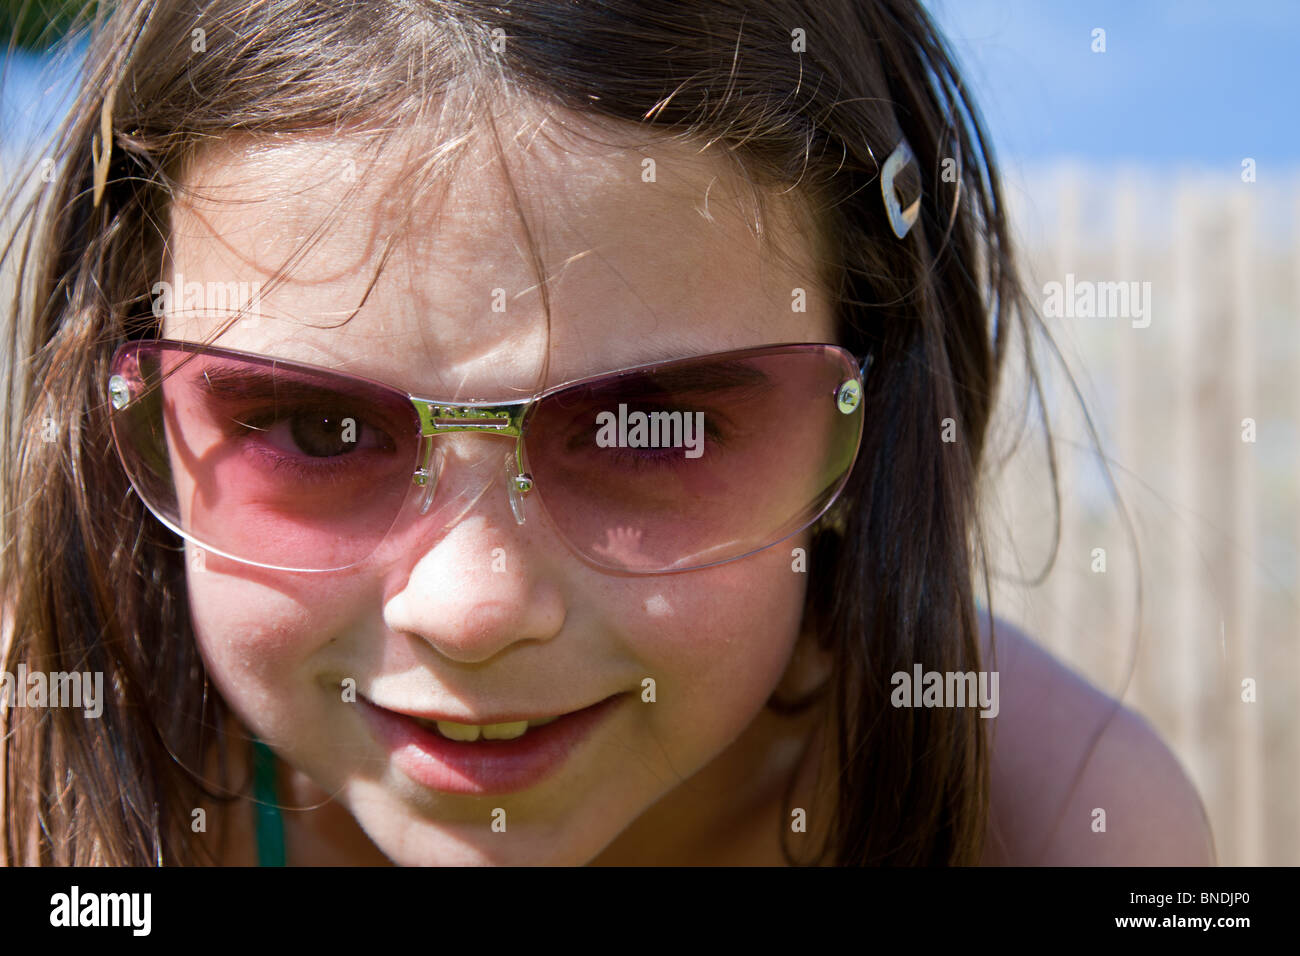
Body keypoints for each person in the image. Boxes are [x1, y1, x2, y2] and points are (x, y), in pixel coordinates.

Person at [0, 0, 1213, 866]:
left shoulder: (1056, 821)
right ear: (142, 412)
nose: (471, 607)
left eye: (649, 431)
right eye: (316, 428)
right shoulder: (28, 772)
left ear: (873, 417)